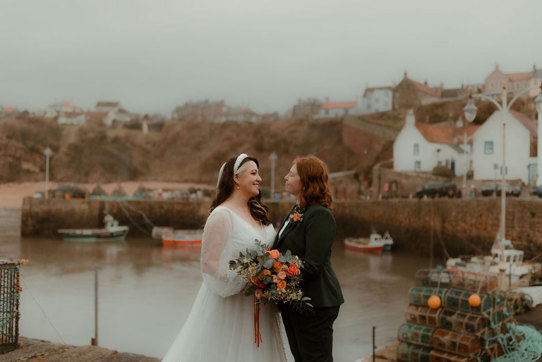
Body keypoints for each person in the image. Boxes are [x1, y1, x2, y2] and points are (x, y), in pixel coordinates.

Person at [163, 153, 287, 362]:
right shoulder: (221, 215)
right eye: (253, 173)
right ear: (236, 178)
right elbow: (208, 263)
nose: (260, 179)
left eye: (259, 173)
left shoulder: (259, 212)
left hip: (259, 304)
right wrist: (246, 277)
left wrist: (272, 274)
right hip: (231, 305)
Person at [273, 155, 344, 362]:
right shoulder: (297, 210)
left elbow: (313, 265)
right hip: (295, 302)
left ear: (306, 181)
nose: (286, 177)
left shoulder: (319, 215)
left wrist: (276, 275)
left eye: (292, 174)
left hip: (316, 303)